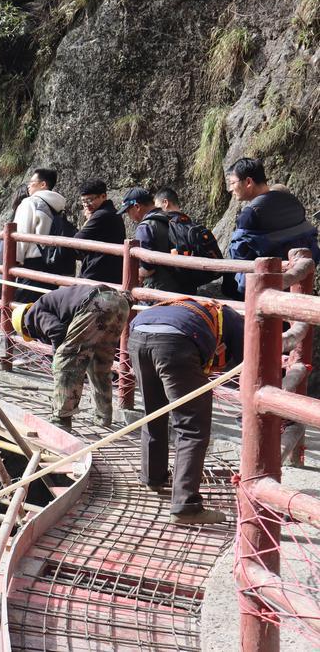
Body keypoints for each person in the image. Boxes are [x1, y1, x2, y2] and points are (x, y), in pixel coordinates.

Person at [129, 298, 244, 524]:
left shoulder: (198, 310)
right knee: (192, 427)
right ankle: (186, 506)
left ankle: (153, 477)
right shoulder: (234, 321)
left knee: (154, 412)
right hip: (176, 343)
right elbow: (247, 363)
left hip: (138, 334)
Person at [11, 284, 130, 428]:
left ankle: (61, 419)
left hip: (96, 303)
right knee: (99, 365)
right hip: (119, 303)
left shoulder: (32, 315)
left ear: (25, 328)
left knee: (64, 360)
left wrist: (58, 359)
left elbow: (57, 331)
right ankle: (103, 417)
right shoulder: (51, 305)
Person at [225, 157, 320, 299]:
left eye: (233, 183)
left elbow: (238, 255)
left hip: (265, 288)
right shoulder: (292, 201)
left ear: (248, 182)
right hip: (297, 281)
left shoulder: (251, 213)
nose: (230, 189)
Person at [119, 187, 194, 294]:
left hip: (160, 292)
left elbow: (148, 268)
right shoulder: (174, 218)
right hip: (186, 287)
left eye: (128, 211)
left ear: (137, 206)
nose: (129, 216)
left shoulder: (145, 227)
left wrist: (136, 275)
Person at [12, 168, 68, 301]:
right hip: (53, 263)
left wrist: (15, 261)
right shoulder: (59, 207)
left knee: (22, 309)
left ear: (43, 184)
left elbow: (21, 234)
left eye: (31, 182)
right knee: (45, 308)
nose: (28, 185)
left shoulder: (29, 203)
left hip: (31, 264)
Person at [73, 179, 125, 284]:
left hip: (98, 272)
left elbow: (77, 240)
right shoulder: (110, 212)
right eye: (83, 201)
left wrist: (88, 221)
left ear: (103, 196)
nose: (86, 204)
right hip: (106, 271)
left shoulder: (102, 214)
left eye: (90, 200)